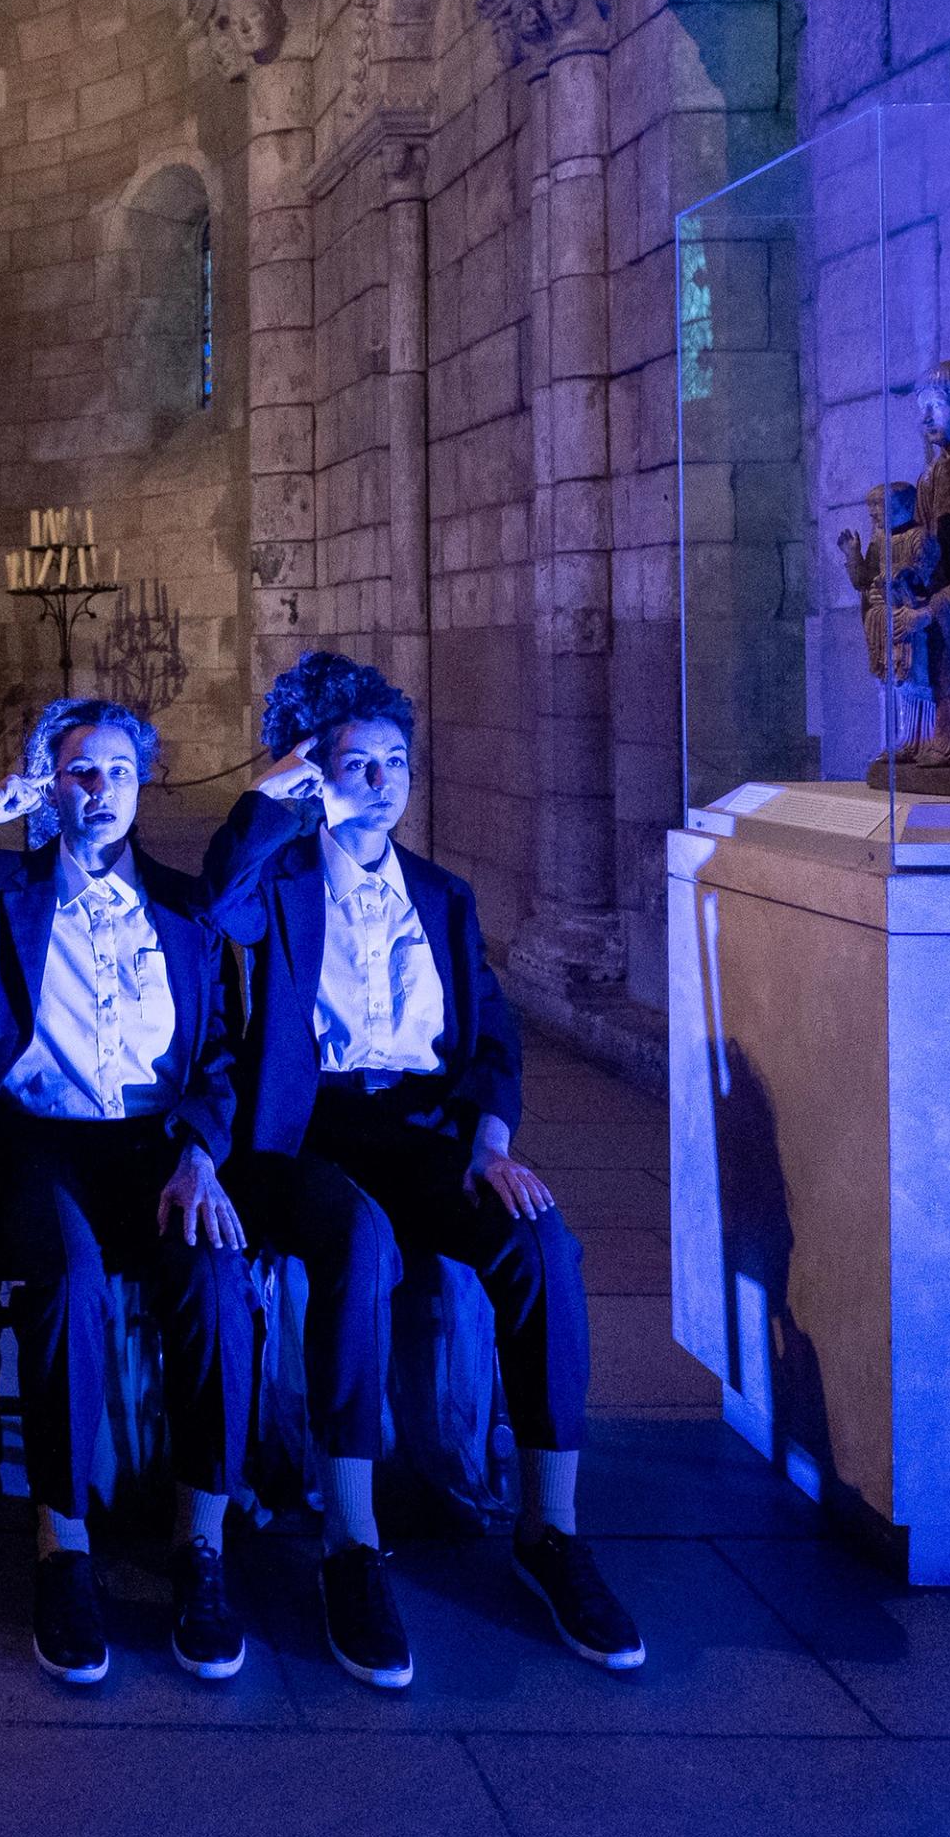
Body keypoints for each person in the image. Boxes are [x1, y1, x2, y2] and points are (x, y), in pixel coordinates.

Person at [205, 651, 643, 1678]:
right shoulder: (280, 880)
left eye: (397, 762)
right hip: (302, 1135)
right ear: (315, 770)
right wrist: (278, 787)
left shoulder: (443, 895)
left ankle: (549, 1527)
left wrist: (492, 1142)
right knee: (356, 1241)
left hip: (425, 1134)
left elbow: (491, 1032)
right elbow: (216, 900)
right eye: (358, 764)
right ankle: (351, 1543)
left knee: (541, 1243)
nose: (384, 783)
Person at [0, 695, 251, 1687]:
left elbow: (220, 1058)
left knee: (218, 1278)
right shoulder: (6, 885)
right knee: (69, 1283)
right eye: (79, 772)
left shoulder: (183, 905)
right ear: (51, 783)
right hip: (38, 1144)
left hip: (160, 1148)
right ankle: (64, 1543)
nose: (99, 791)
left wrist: (202, 1155)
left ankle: (200, 1542)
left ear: (142, 783)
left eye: (117, 772)